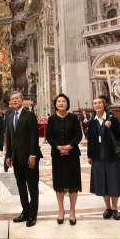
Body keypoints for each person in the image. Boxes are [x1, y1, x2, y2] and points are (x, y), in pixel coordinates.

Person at [87, 95, 120, 220]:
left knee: (113, 181)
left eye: (100, 103)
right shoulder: (92, 122)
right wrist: (89, 155)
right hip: (98, 156)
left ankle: (115, 208)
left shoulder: (111, 118)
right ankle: (107, 207)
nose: (97, 105)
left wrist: (111, 126)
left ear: (104, 105)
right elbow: (90, 140)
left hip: (112, 155)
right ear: (93, 107)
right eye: (95, 103)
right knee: (102, 182)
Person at [6, 91, 42, 227]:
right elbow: (9, 139)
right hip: (16, 158)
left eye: (16, 98)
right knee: (21, 186)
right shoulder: (9, 117)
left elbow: (34, 136)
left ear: (22, 100)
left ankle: (33, 215)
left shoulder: (29, 115)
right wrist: (8, 155)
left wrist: (33, 155)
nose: (14, 100)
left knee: (32, 186)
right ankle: (25, 211)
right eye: (12, 99)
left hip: (29, 158)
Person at [46, 93, 82, 225]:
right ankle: (61, 210)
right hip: (57, 155)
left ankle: (72, 210)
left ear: (67, 104)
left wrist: (70, 146)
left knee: (73, 184)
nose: (61, 103)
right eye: (59, 101)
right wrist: (58, 147)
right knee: (59, 184)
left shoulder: (73, 118)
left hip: (72, 155)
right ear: (55, 104)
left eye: (64, 101)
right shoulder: (52, 119)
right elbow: (48, 135)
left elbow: (79, 134)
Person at [3, 100, 15, 172]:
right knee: (11, 149)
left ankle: (6, 166)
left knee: (9, 149)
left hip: (8, 132)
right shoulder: (11, 112)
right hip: (12, 133)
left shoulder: (7, 111)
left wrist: (5, 132)